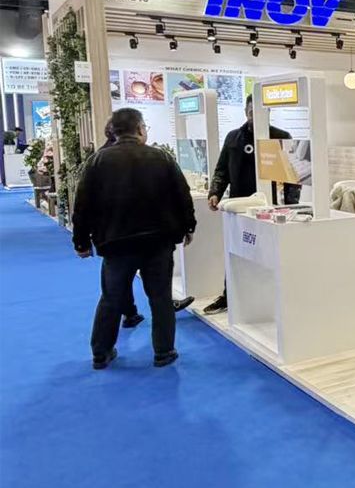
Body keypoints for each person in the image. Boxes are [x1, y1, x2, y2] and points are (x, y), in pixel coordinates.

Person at [72, 108, 195, 369]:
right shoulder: (162, 158)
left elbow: (83, 205)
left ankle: (101, 352)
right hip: (158, 241)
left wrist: (81, 241)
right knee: (160, 298)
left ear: (113, 131)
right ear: (140, 129)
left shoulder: (97, 161)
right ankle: (164, 351)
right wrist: (188, 226)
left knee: (111, 298)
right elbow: (182, 195)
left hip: (116, 243)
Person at [203, 95, 300, 314]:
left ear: (268, 112)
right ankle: (229, 296)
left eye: (259, 112)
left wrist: (291, 206)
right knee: (236, 251)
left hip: (272, 210)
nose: (254, 117)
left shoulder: (281, 137)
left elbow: (292, 177)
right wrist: (215, 192)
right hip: (239, 207)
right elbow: (222, 169)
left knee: (272, 254)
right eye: (250, 113)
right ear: (245, 112)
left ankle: (275, 300)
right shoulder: (233, 138)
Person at [98, 117, 194, 325]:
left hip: (116, 236)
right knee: (154, 288)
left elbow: (88, 201)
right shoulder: (151, 157)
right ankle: (158, 330)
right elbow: (179, 193)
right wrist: (186, 225)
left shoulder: (101, 157)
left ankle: (126, 318)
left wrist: (86, 237)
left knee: (116, 285)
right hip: (148, 234)